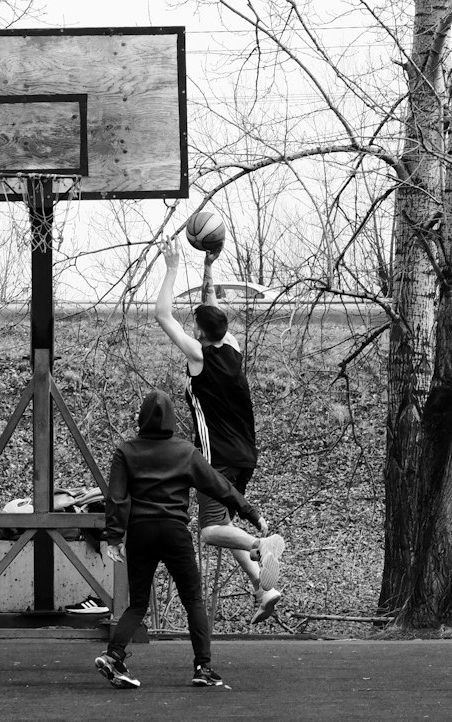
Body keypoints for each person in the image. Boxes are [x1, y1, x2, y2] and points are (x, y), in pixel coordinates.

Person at [95, 387, 273, 691]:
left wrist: (114, 536)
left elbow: (117, 497)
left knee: (137, 604)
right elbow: (219, 486)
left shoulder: (126, 451)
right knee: (193, 600)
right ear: (172, 421)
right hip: (174, 532)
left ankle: (114, 655)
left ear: (141, 419)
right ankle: (203, 667)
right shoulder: (185, 452)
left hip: (141, 532)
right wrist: (250, 512)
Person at [154, 234, 284, 624]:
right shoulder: (233, 346)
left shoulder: (199, 356)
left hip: (218, 459)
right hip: (245, 455)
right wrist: (209, 265)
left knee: (210, 531)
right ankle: (266, 584)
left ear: (199, 334)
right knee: (224, 524)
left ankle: (263, 545)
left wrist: (173, 267)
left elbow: (162, 315)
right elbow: (212, 312)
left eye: (194, 326)